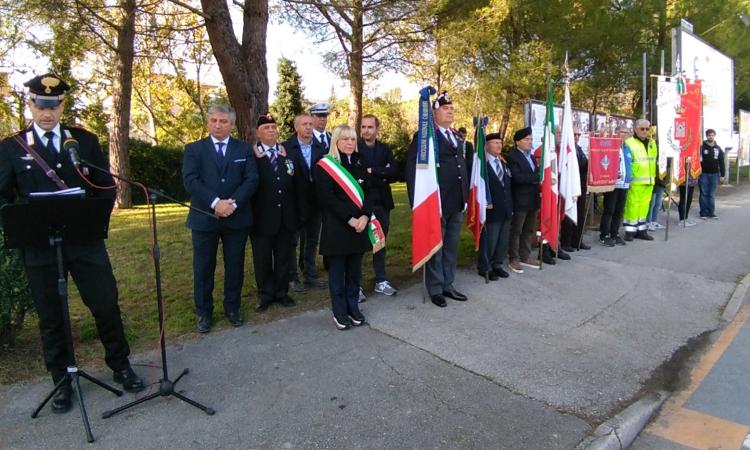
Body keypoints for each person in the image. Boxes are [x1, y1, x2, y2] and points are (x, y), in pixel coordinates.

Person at [0, 73, 144, 414]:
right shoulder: (11, 147)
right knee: (51, 316)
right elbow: (3, 197)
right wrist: (20, 220)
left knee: (106, 304)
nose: (47, 113)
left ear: (63, 105)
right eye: (40, 105)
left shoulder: (82, 141)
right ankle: (62, 379)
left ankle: (120, 365)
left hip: (84, 242)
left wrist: (94, 221)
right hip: (39, 245)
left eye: (53, 105)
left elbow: (105, 187)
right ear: (30, 104)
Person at [183, 104, 259, 333]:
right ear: (208, 122)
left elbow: (251, 179)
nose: (218, 124)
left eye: (223, 121)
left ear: (232, 125)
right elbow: (190, 180)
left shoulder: (244, 150)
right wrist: (216, 203)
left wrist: (232, 203)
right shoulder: (194, 149)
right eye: (214, 120)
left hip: (236, 218)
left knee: (234, 265)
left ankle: (232, 308)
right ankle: (204, 313)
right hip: (205, 218)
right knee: (203, 267)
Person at [406, 91, 469, 307]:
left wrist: (465, 195)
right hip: (437, 202)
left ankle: (447, 284)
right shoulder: (425, 137)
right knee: (436, 247)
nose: (450, 111)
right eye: (445, 108)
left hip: (457, 201)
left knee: (451, 246)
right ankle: (435, 288)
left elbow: (462, 167)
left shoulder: (455, 136)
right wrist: (417, 201)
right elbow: (414, 170)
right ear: (434, 112)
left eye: (451, 108)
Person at [315, 125, 371, 329]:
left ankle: (353, 307)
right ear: (336, 141)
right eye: (345, 139)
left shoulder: (360, 161)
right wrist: (350, 219)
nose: (350, 143)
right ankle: (339, 312)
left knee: (355, 273)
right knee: (338, 274)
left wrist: (365, 216)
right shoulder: (325, 165)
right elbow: (326, 198)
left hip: (359, 227)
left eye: (353, 139)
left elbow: (370, 192)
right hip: (338, 228)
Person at [250, 114, 307, 312]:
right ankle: (266, 294)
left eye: (273, 127)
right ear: (258, 132)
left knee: (283, 258)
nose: (271, 130)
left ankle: (282, 292)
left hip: (286, 218)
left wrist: (299, 214)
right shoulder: (253, 155)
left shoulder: (287, 154)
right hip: (262, 219)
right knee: (263, 259)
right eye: (266, 128)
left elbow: (298, 185)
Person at [283, 114, 327, 292]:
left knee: (311, 240)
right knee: (292, 241)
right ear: (296, 127)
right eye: (304, 124)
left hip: (314, 202)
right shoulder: (286, 148)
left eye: (310, 124)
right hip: (294, 202)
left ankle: (309, 274)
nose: (308, 127)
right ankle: (292, 277)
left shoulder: (320, 147)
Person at [358, 114, 399, 296]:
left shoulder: (384, 148)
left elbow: (394, 171)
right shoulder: (354, 147)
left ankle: (381, 280)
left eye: (370, 127)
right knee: (359, 246)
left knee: (380, 243)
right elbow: (358, 173)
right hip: (361, 204)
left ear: (377, 129)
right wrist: (382, 173)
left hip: (382, 203)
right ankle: (355, 285)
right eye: (364, 127)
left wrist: (373, 171)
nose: (366, 130)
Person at [477, 132, 512, 280]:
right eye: (495, 142)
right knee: (490, 240)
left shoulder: (503, 162)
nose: (499, 145)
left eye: (500, 142)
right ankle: (485, 266)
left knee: (503, 240)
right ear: (487, 145)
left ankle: (497, 264)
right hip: (491, 209)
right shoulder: (482, 165)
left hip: (505, 208)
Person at [507, 127, 541, 273]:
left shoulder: (531, 157)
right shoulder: (513, 157)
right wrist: (536, 179)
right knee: (517, 230)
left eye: (531, 139)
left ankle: (525, 255)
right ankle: (513, 258)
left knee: (528, 229)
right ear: (517, 142)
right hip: (520, 200)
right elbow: (517, 178)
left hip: (532, 199)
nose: (530, 142)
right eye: (527, 139)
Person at [622, 119, 657, 241]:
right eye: (642, 129)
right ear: (635, 129)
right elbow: (627, 163)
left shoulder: (652, 143)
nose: (645, 131)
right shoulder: (629, 143)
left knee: (644, 206)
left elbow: (653, 162)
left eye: (647, 129)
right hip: (635, 181)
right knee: (632, 205)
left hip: (649, 181)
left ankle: (641, 230)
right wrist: (628, 179)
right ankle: (630, 231)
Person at [599, 126, 633, 247]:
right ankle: (604, 234)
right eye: (621, 132)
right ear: (616, 133)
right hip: (612, 183)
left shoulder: (627, 148)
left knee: (619, 211)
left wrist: (630, 178)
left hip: (624, 184)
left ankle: (615, 233)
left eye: (626, 132)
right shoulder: (611, 145)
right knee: (609, 210)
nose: (624, 134)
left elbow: (629, 164)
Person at [560, 129, 591, 251]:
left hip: (580, 186)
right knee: (569, 213)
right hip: (569, 186)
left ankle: (577, 240)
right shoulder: (566, 149)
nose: (577, 136)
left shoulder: (578, 148)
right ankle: (566, 242)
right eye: (574, 134)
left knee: (580, 214)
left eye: (578, 134)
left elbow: (584, 165)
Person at [699, 129, 725, 219]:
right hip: (704, 174)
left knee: (712, 194)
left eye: (713, 135)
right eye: (709, 135)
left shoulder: (717, 148)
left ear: (714, 136)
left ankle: (711, 212)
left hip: (714, 174)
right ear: (706, 136)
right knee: (704, 193)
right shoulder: (702, 147)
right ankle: (703, 212)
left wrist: (722, 175)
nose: (711, 137)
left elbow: (721, 162)